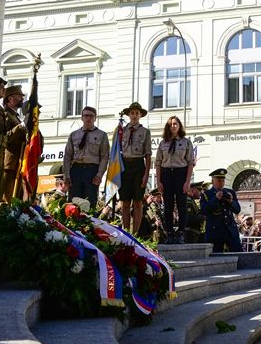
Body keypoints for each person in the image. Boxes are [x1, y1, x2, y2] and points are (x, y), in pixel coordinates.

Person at [155, 115, 194, 243]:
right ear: (168, 126)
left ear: (179, 126)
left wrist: (187, 181)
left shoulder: (186, 142)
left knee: (182, 205)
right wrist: (158, 181)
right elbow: (158, 163)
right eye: (171, 124)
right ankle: (170, 233)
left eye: (176, 124)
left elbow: (190, 163)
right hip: (166, 174)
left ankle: (181, 232)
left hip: (181, 174)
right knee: (168, 205)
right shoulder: (163, 143)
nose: (173, 126)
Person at [61, 106, 110, 208]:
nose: (88, 118)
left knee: (90, 203)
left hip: (92, 171)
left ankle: (89, 223)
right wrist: (67, 175)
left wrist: (100, 175)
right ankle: (72, 223)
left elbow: (104, 157)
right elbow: (67, 156)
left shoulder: (102, 135)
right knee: (73, 203)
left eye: (91, 116)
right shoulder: (74, 135)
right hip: (76, 170)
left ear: (95, 118)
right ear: (82, 118)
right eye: (86, 116)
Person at [118, 102, 152, 236]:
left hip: (138, 166)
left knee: (138, 202)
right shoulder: (122, 130)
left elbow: (148, 155)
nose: (134, 116)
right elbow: (116, 151)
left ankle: (136, 233)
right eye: (132, 113)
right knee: (125, 202)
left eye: (137, 113)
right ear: (128, 114)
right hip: (124, 165)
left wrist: (146, 174)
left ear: (140, 115)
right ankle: (126, 232)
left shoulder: (145, 132)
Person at [0, 83, 26, 211]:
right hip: (8, 162)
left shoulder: (15, 116)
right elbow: (7, 137)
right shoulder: (6, 114)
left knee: (14, 196)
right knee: (5, 197)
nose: (22, 99)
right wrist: (21, 127)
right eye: (19, 96)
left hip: (16, 161)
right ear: (10, 98)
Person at [200, 168, 242, 253]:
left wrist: (231, 202)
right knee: (216, 256)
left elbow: (237, 209)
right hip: (215, 232)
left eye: (223, 180)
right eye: (219, 181)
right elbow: (204, 210)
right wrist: (216, 199)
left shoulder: (230, 192)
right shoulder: (207, 194)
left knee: (238, 254)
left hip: (230, 231)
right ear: (213, 181)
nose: (221, 183)